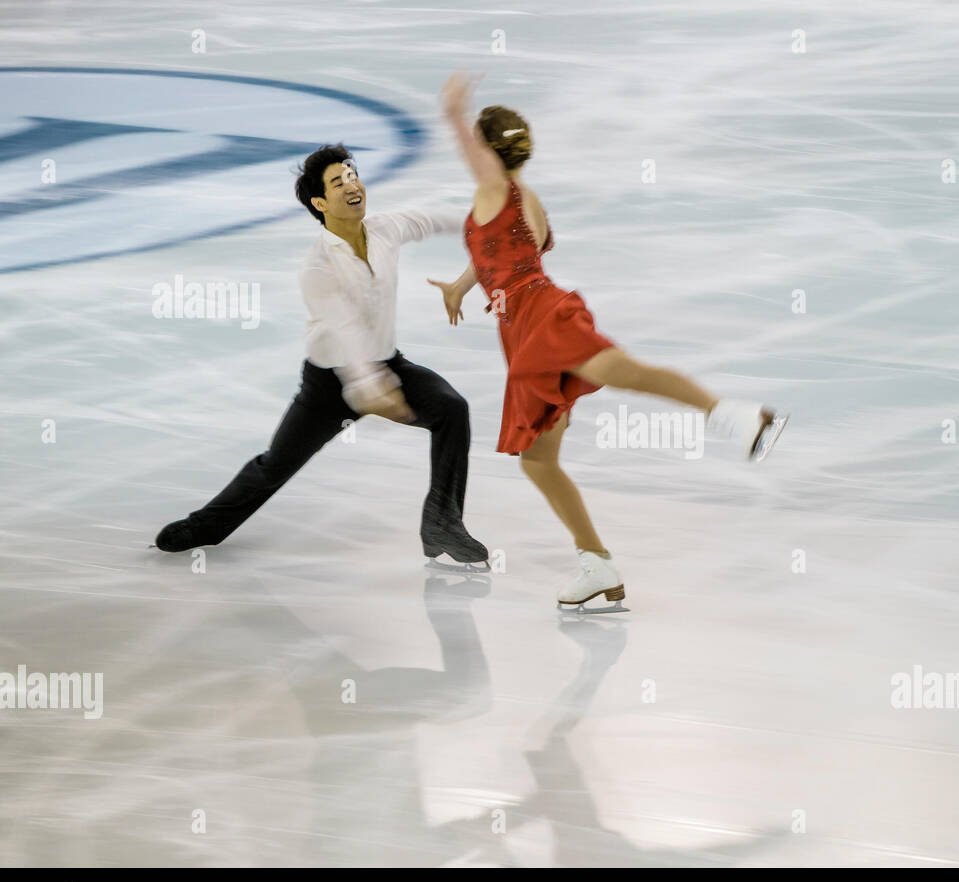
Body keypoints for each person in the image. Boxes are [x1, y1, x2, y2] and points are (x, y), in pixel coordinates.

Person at [428, 73, 786, 612]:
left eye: (478, 147)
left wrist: (455, 114)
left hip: (540, 317)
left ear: (486, 149)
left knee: (628, 373)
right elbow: (502, 254)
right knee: (537, 459)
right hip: (524, 327)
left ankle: (736, 415)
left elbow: (494, 212)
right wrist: (460, 285)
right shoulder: (522, 200)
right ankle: (597, 565)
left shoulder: (495, 188)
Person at [153, 144, 487, 565]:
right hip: (330, 384)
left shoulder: (386, 228)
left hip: (388, 364)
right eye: (338, 181)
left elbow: (433, 219)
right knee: (275, 465)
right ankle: (206, 525)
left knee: (451, 409)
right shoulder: (317, 267)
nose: (352, 185)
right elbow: (345, 330)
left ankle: (442, 522)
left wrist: (487, 223)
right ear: (319, 202)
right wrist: (370, 386)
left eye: (352, 175)